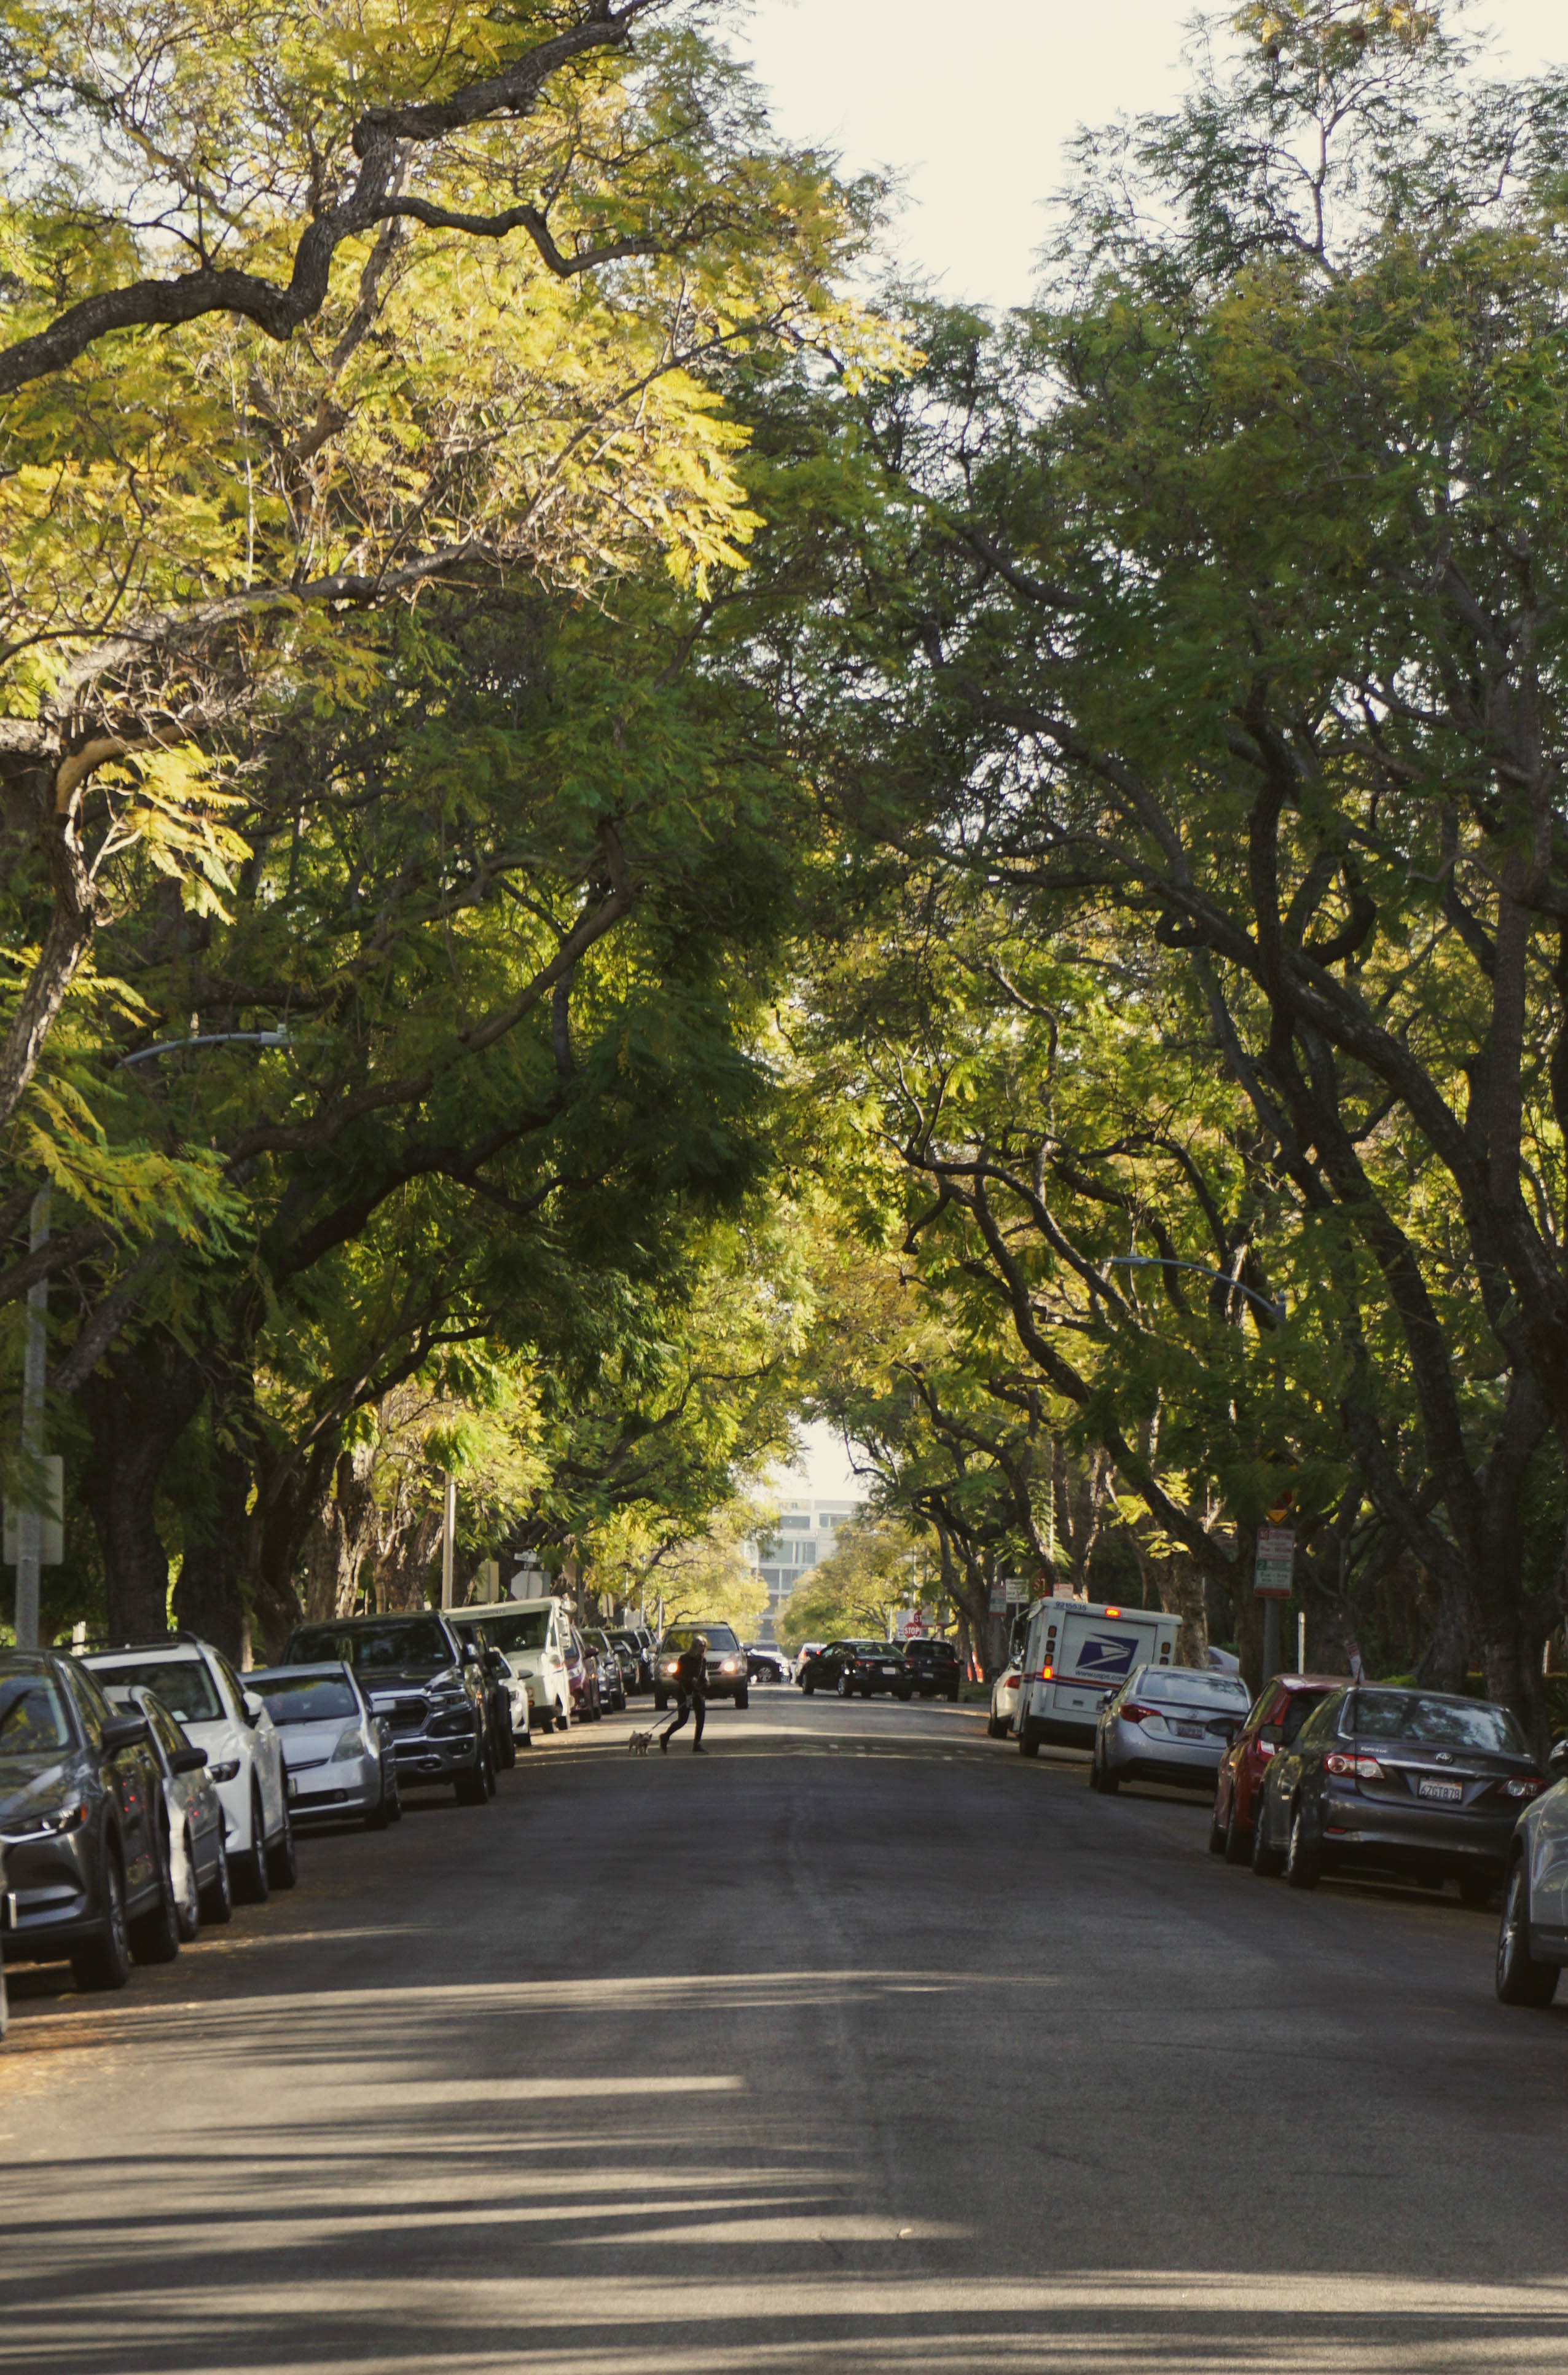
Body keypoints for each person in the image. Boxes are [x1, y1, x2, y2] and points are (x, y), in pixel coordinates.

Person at [661, 1633, 707, 1754]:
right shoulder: (684, 1659)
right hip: (684, 1692)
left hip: (697, 1693)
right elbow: (676, 1675)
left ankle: (697, 1744)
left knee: (701, 1717)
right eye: (700, 1645)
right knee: (683, 1720)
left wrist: (704, 1683)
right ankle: (665, 1736)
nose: (702, 1648)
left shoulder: (703, 1660)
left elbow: (702, 1677)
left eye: (704, 1646)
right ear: (694, 1646)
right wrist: (689, 1680)